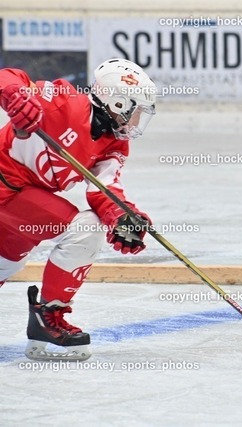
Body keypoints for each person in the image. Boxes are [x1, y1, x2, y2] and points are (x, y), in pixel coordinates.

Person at [0, 58, 156, 360]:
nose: (136, 122)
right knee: (84, 228)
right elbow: (8, 76)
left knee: (7, 265)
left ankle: (47, 318)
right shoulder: (60, 102)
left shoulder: (115, 144)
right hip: (7, 189)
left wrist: (123, 216)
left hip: (22, 204)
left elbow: (105, 189)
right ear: (117, 102)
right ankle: (50, 315)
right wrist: (15, 96)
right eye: (135, 112)